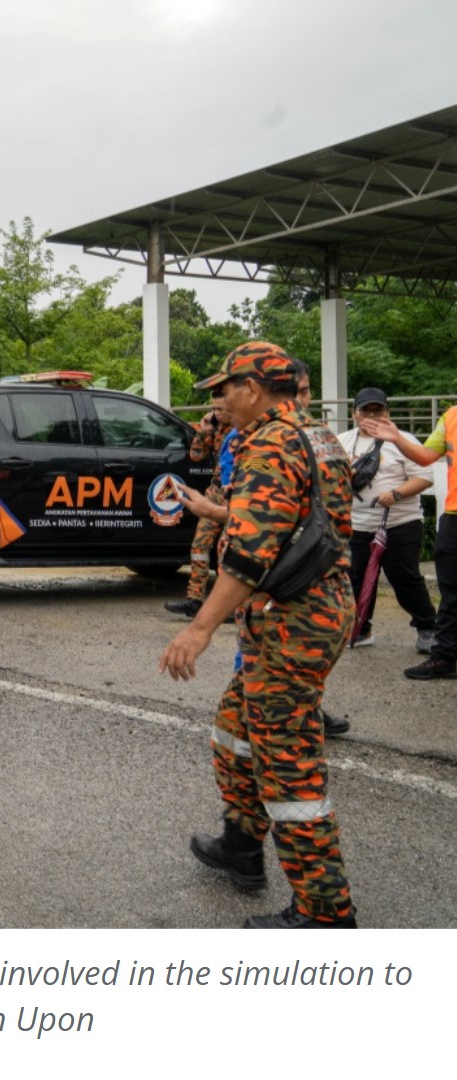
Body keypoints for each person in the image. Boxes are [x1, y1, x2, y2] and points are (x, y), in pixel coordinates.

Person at [161, 342, 357, 928]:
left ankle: (326, 912)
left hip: (296, 618)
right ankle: (242, 845)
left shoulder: (270, 443)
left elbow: (251, 555)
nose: (218, 401)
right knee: (235, 728)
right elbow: (297, 517)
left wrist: (199, 628)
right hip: (301, 611)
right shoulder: (313, 433)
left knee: (288, 761)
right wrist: (218, 513)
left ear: (252, 387)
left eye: (224, 389)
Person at [361, 396, 457, 680]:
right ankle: (445, 656)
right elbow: (426, 456)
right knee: (451, 589)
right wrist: (396, 439)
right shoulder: (451, 415)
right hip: (454, 514)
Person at [338, 387, 436, 651]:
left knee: (404, 577)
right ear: (354, 413)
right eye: (365, 410)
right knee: (354, 578)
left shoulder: (403, 439)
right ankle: (360, 628)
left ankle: (428, 627)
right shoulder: (342, 441)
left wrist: (396, 493)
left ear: (387, 412)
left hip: (400, 523)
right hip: (357, 524)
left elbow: (425, 477)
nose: (372, 415)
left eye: (377, 409)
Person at [165, 388, 237, 619]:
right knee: (199, 546)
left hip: (236, 496)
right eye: (214, 408)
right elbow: (196, 456)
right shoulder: (214, 428)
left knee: (227, 550)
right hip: (214, 494)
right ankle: (194, 599)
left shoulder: (245, 429)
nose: (216, 413)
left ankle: (230, 606)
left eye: (221, 409)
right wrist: (204, 432)